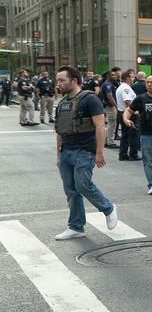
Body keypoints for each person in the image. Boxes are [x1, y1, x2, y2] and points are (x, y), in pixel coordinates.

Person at [52, 65, 118, 240]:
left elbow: (100, 125)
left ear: (74, 80)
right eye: (58, 80)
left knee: (83, 185)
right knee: (71, 190)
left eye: (62, 80)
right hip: (66, 152)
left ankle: (108, 208)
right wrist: (59, 156)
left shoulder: (90, 99)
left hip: (84, 151)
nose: (58, 83)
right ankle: (76, 226)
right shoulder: (63, 102)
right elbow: (59, 131)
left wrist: (99, 152)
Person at [115, 69, 140, 161]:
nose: (134, 78)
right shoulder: (125, 88)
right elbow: (128, 101)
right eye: (132, 76)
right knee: (134, 134)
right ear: (127, 78)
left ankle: (123, 154)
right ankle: (133, 154)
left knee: (125, 135)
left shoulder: (123, 87)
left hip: (122, 113)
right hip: (129, 114)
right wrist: (135, 112)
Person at [98, 70, 117, 144]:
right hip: (110, 106)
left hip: (108, 106)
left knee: (110, 123)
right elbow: (109, 96)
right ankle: (110, 141)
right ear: (108, 76)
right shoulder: (107, 84)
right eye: (113, 75)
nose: (115, 76)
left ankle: (106, 140)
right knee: (112, 124)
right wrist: (116, 106)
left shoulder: (107, 84)